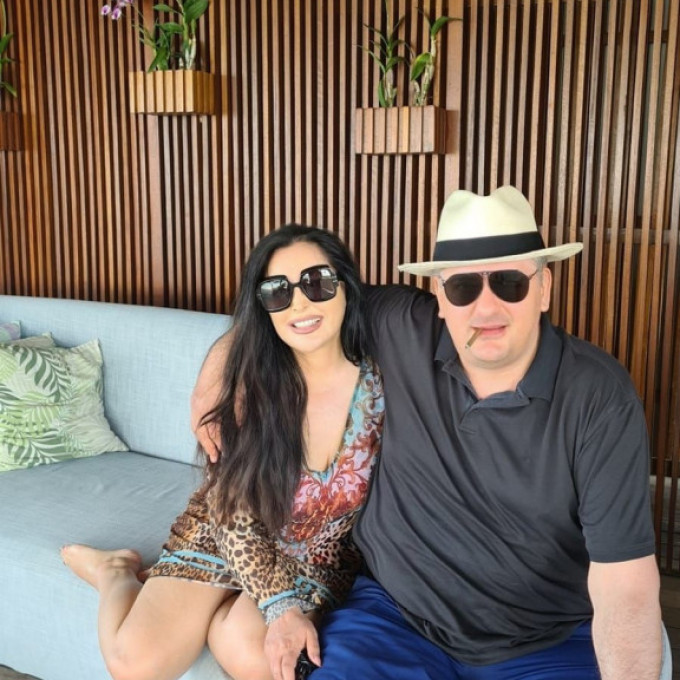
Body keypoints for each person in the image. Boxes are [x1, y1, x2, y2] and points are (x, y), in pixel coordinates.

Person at [194, 187, 662, 679]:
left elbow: (625, 586)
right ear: (439, 296)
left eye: (509, 283)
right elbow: (292, 312)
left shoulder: (599, 398)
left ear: (543, 288)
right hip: (392, 619)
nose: (486, 308)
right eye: (463, 287)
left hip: (541, 643)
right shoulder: (402, 326)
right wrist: (216, 376)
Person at [61, 224, 384, 680]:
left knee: (251, 654)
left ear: (345, 285)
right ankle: (114, 571)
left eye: (316, 282)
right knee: (134, 665)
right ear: (263, 306)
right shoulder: (251, 385)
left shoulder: (383, 383)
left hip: (316, 556)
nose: (299, 303)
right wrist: (279, 607)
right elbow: (232, 510)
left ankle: (224, 613)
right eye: (277, 291)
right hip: (229, 532)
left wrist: (277, 606)